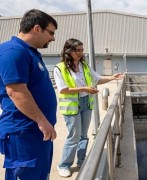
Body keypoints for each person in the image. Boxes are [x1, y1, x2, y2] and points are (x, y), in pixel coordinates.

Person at [0, 9, 58, 180]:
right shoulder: (13, 52)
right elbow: (16, 92)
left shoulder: (30, 52)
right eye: (51, 33)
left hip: (38, 130)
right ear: (37, 28)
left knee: (40, 175)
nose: (53, 38)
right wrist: (42, 121)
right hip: (23, 132)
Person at [54, 38, 123, 177]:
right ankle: (64, 165)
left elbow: (97, 79)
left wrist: (112, 78)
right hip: (71, 106)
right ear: (69, 51)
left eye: (81, 50)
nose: (80, 53)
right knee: (74, 137)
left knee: (83, 136)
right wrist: (84, 88)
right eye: (77, 50)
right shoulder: (60, 68)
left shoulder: (84, 66)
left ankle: (81, 161)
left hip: (86, 103)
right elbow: (63, 89)